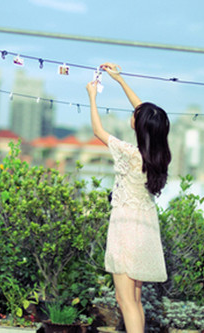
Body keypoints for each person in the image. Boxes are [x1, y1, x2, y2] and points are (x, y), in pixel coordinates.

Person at [86, 63, 171, 333]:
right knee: (135, 300)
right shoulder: (158, 156)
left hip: (126, 229)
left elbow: (98, 132)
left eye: (137, 115)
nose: (133, 114)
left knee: (125, 301)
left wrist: (92, 96)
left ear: (141, 126)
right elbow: (145, 112)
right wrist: (119, 80)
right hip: (145, 229)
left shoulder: (130, 154)